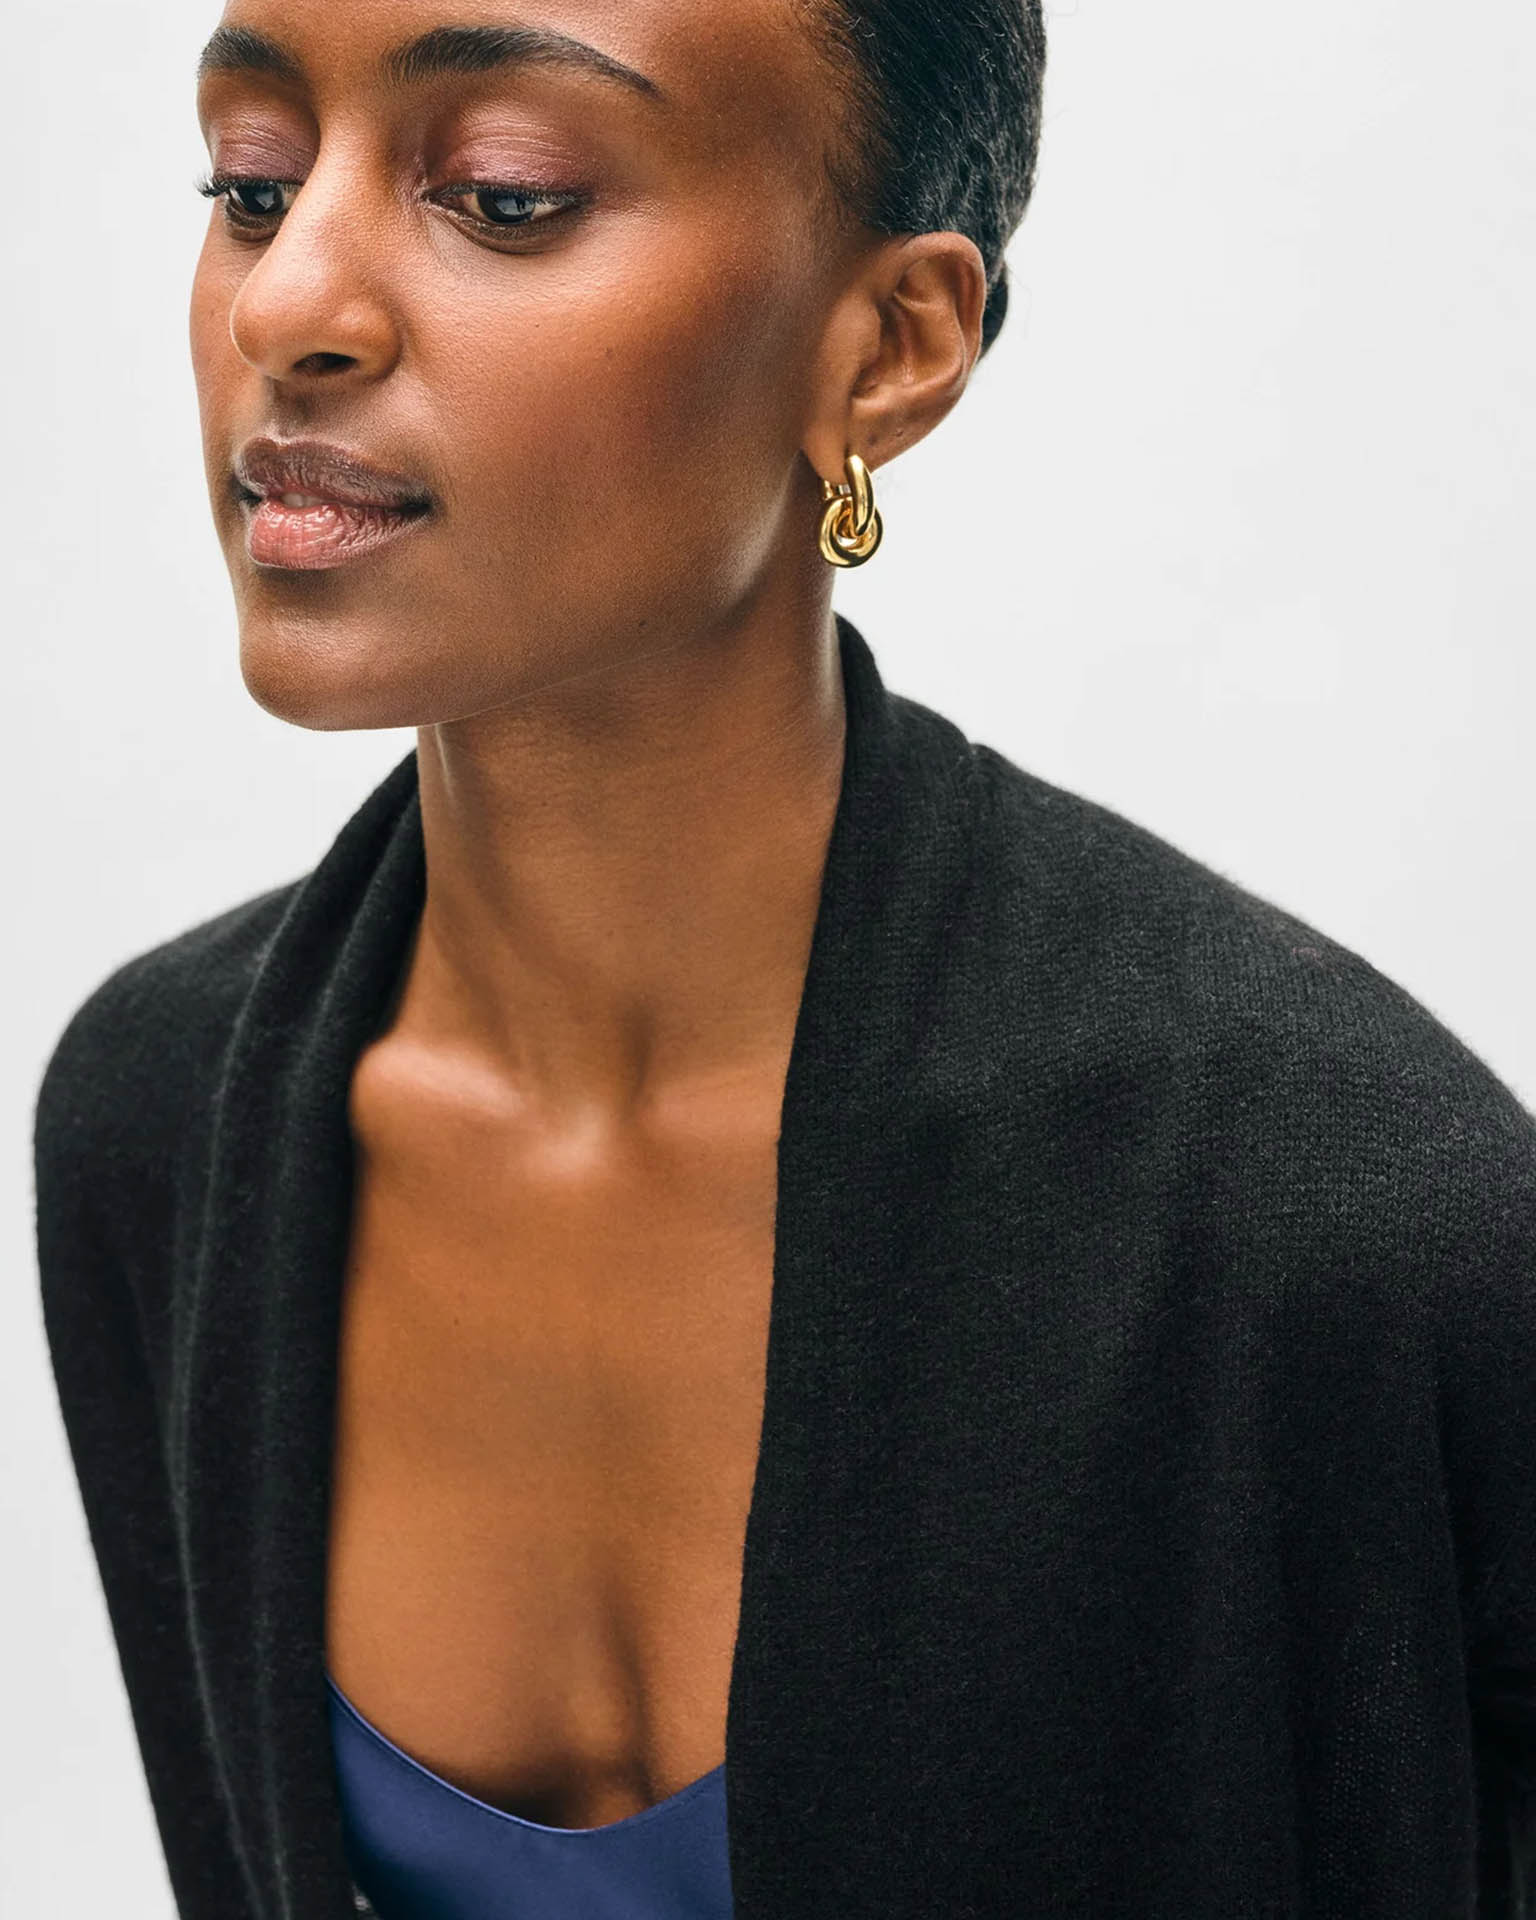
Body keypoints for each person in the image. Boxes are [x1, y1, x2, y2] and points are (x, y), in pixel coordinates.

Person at [32, 2, 1536, 1917]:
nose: (286, 301)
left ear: (893, 347)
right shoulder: (166, 1120)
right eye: (251, 182)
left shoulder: (1355, 1230)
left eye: (502, 196)